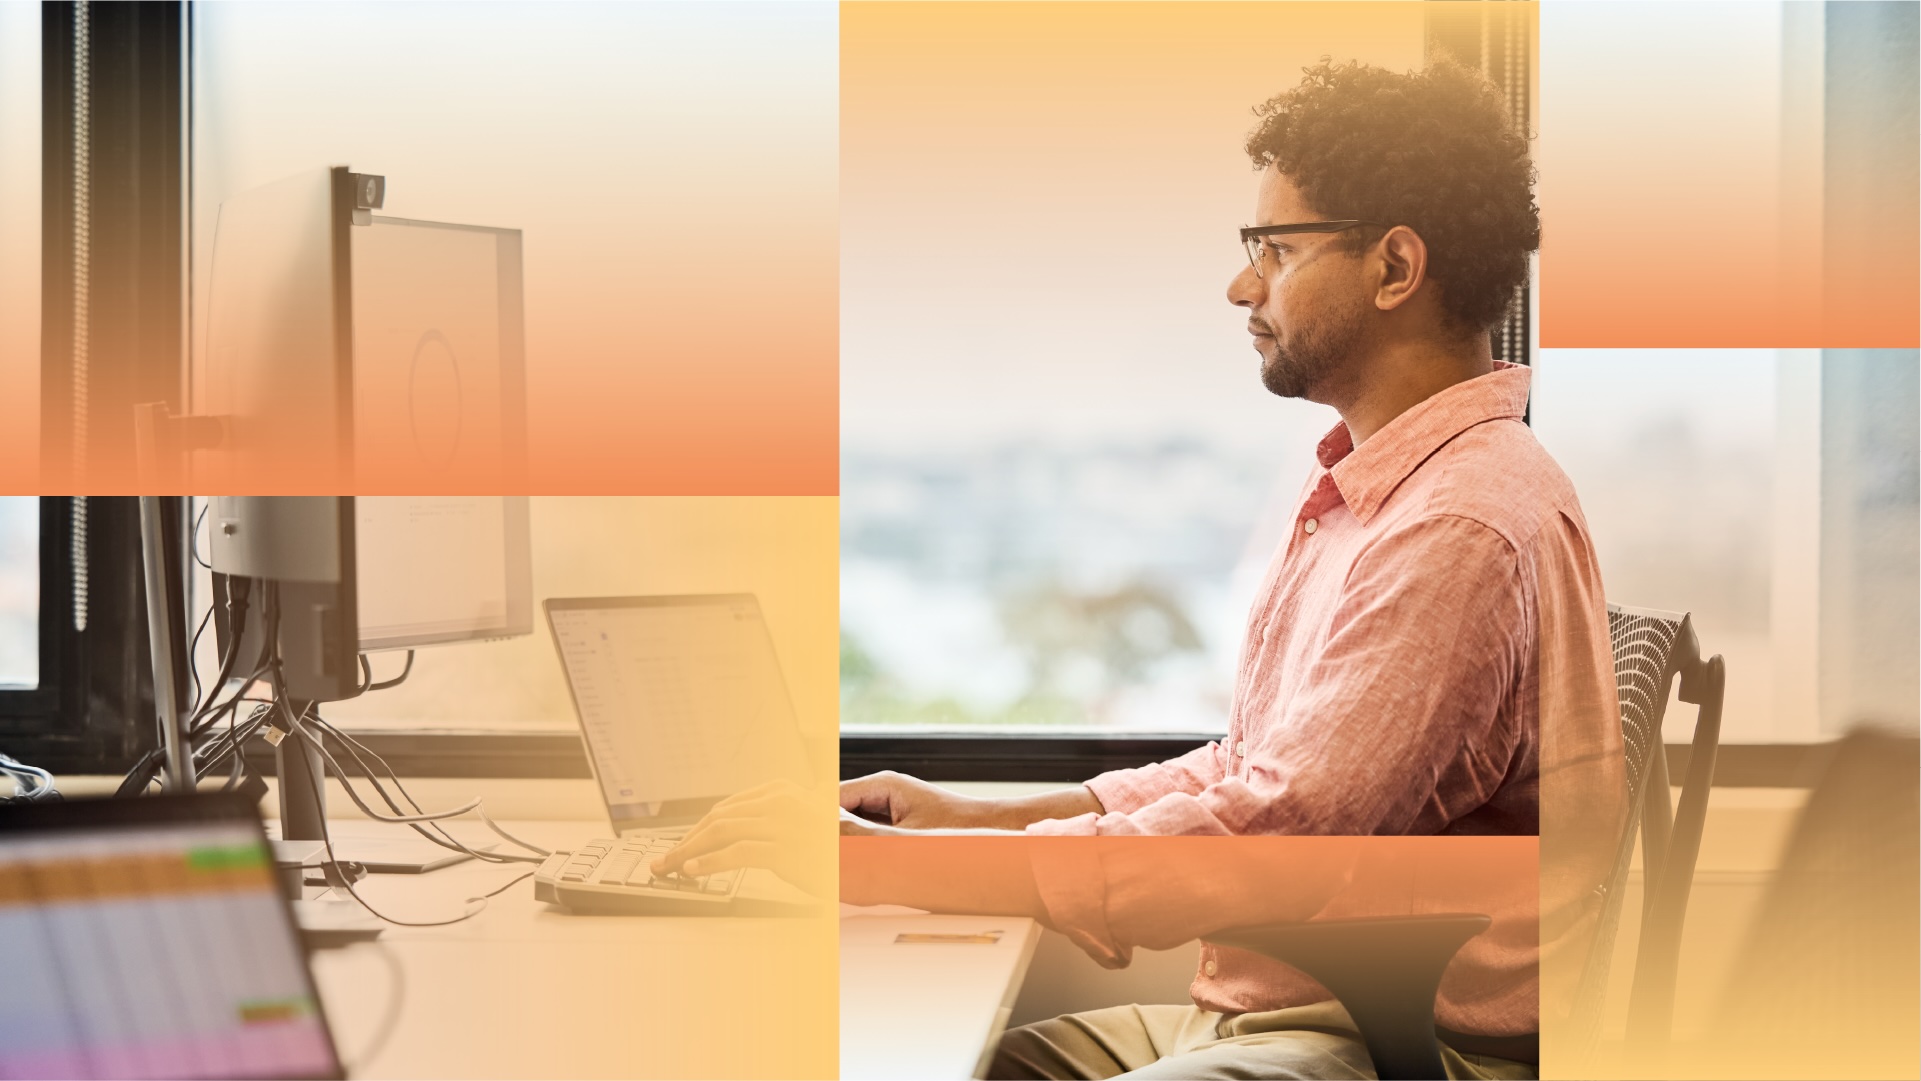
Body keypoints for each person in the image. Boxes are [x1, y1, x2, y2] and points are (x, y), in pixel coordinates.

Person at [658, 58, 1627, 1080]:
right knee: (955, 1062)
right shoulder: (1386, 493)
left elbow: (1269, 837)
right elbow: (1256, 769)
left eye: (1273, 248)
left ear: (1393, 267)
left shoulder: (1456, 527)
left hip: (1385, 1044)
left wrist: (880, 868)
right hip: (1289, 1020)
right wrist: (973, 815)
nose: (1241, 284)